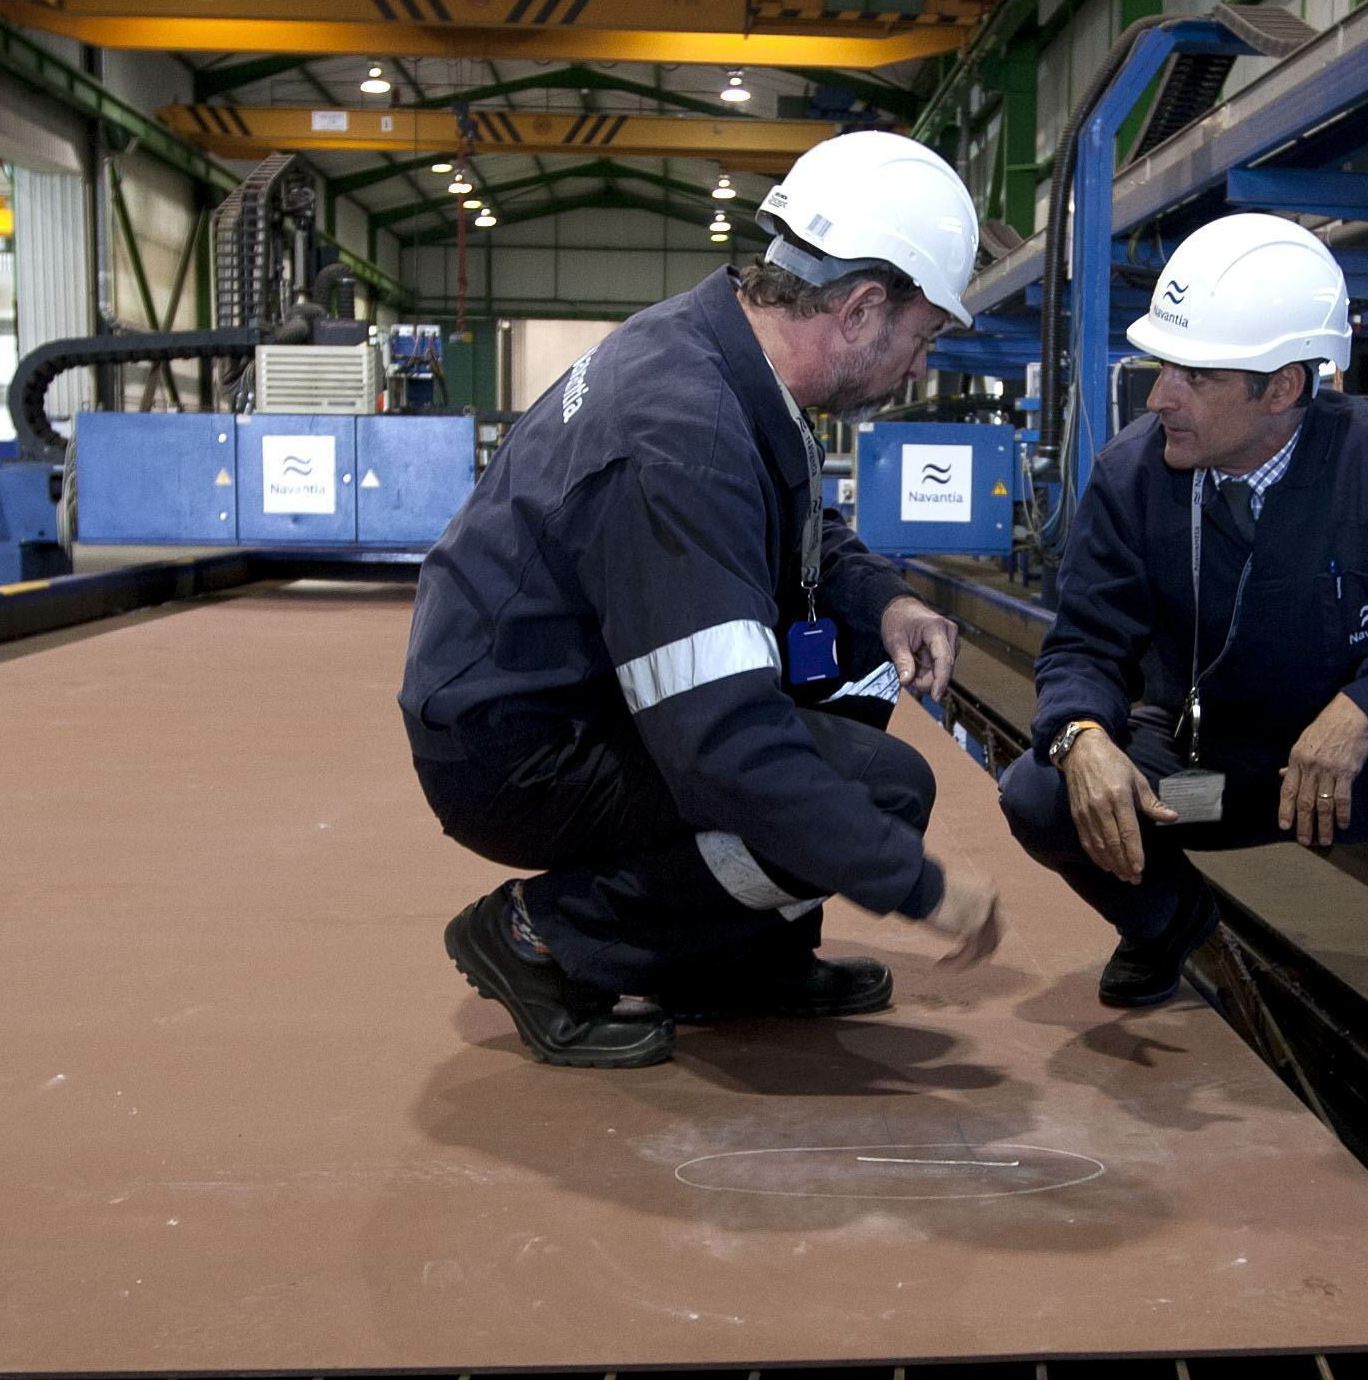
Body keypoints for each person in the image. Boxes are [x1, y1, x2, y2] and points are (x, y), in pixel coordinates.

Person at [402, 132, 1005, 1069]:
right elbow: (721, 744)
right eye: (923, 338)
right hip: (515, 745)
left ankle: (731, 960)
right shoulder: (681, 435)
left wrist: (882, 603)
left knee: (849, 687)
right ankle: (541, 936)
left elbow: (791, 521)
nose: (920, 367)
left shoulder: (721, 348)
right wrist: (913, 884)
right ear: (860, 307)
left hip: (563, 688)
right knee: (871, 793)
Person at [998, 213, 1368, 1063]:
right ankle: (1166, 921)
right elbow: (1082, 644)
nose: (1160, 396)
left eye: (1195, 374)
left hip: (1364, 771)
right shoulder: (1133, 477)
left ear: (1282, 388)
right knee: (1040, 792)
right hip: (1207, 773)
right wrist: (1081, 734)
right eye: (1162, 365)